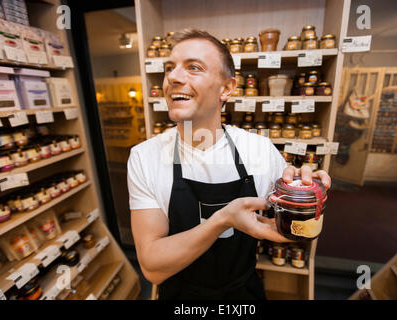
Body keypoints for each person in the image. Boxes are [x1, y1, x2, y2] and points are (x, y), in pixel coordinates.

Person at [128, 29, 331, 300]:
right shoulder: (145, 157)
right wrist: (222, 220)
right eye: (169, 68)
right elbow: (152, 267)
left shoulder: (258, 150)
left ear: (227, 88)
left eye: (194, 68)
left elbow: (298, 230)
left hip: (243, 294)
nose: (172, 78)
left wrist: (306, 194)